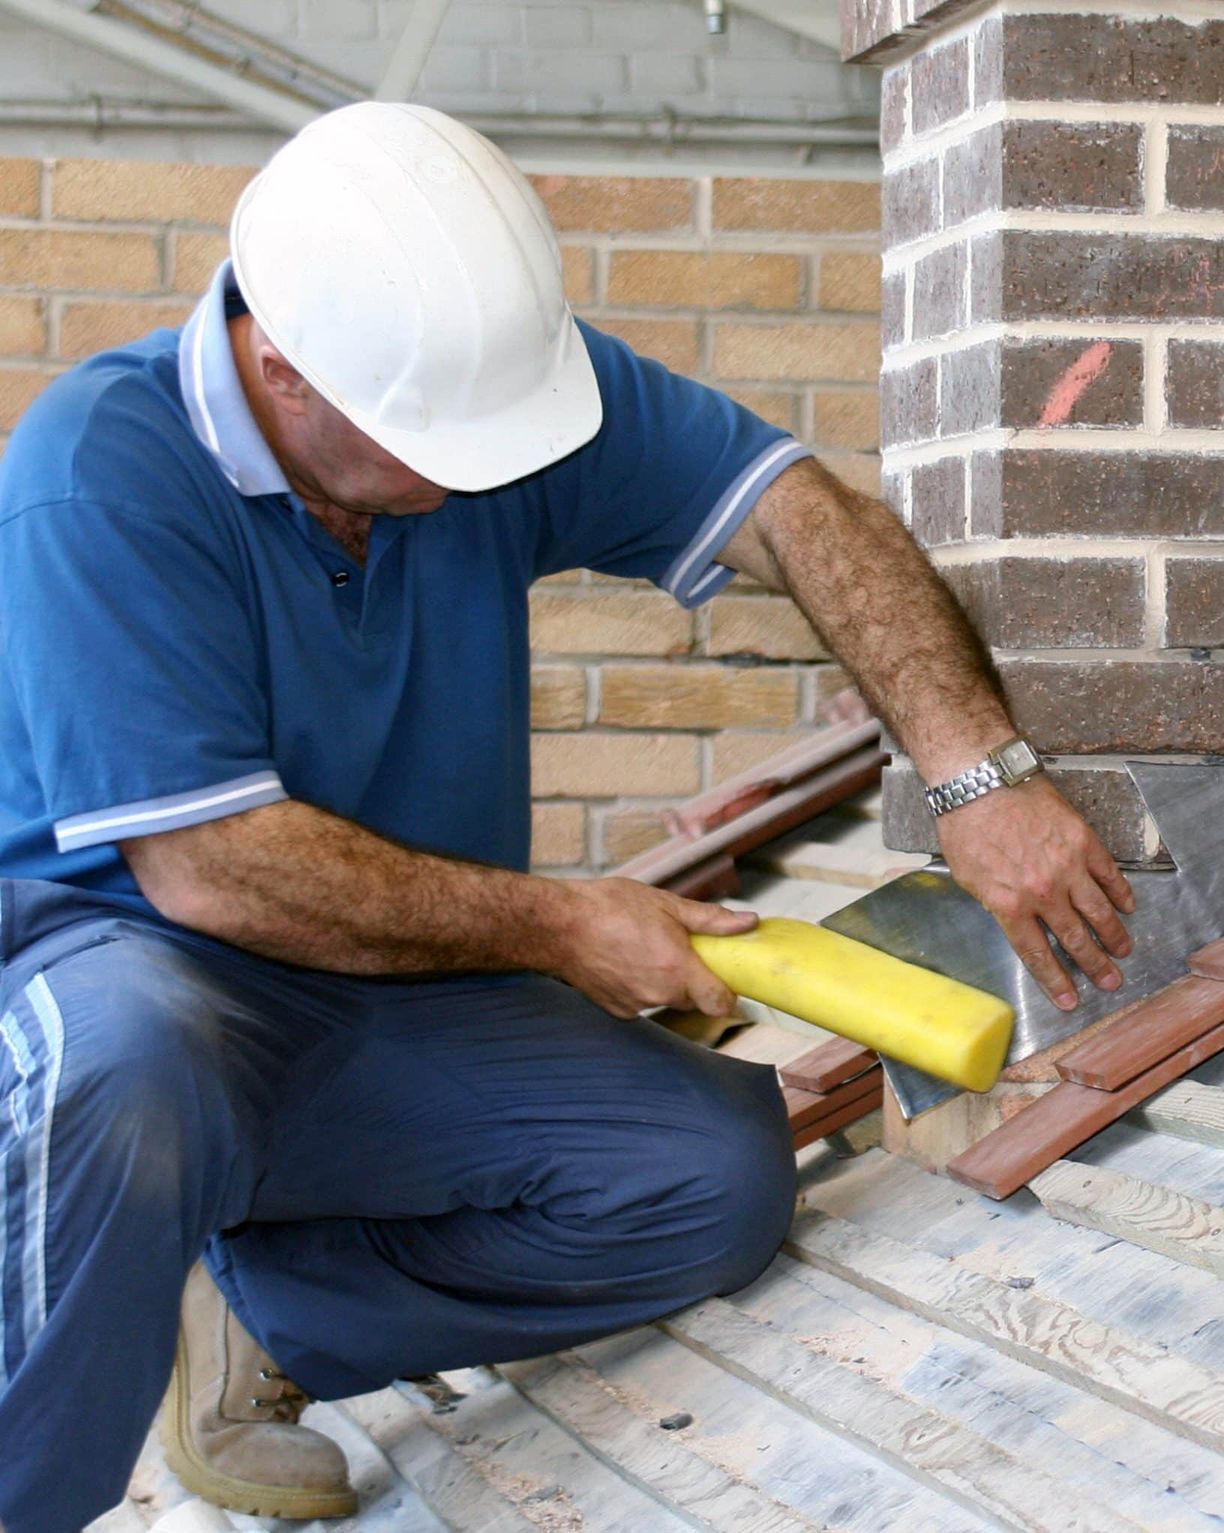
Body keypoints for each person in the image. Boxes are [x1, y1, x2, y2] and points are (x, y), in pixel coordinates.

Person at [0, 103, 1131, 1530]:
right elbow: (215, 871)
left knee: (711, 1177)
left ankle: (268, 1309)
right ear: (282, 370)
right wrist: (562, 925)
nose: (477, 479)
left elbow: (797, 509)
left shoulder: (488, 404)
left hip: (392, 982)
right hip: (134, 970)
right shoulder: (97, 472)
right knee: (127, 1073)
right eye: (432, 449)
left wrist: (979, 772)